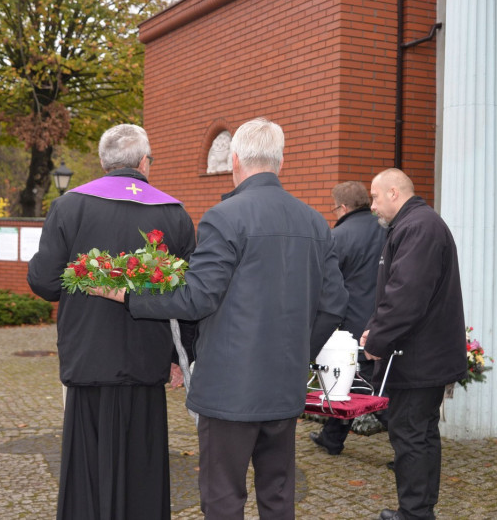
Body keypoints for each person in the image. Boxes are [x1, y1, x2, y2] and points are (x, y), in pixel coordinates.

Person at [94, 118, 347, 519]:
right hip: (284, 385)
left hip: (230, 390)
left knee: (224, 498)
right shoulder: (315, 222)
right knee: (279, 495)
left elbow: (197, 297)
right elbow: (335, 304)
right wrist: (298, 353)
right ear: (279, 162)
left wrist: (130, 296)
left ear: (234, 160)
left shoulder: (224, 217)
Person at [27, 124, 196, 520]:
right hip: (148, 359)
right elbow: (192, 296)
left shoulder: (69, 206)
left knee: (87, 465)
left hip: (89, 356)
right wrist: (179, 356)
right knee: (144, 463)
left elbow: (45, 281)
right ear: (143, 161)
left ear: (104, 164)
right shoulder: (174, 212)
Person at [359, 168, 467, 520]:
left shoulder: (418, 227)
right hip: (423, 353)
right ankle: (420, 509)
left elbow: (406, 295)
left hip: (418, 357)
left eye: (374, 197)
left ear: (393, 192)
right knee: (420, 433)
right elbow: (402, 292)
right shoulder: (418, 224)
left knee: (410, 436)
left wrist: (378, 339)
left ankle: (415, 513)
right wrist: (375, 330)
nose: (371, 205)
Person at [310, 181, 387, 456]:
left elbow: (326, 283)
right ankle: (332, 437)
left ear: (342, 207)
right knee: (351, 381)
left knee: (365, 385)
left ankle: (409, 447)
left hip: (352, 321)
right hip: (385, 316)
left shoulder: (339, 235)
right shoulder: (386, 228)